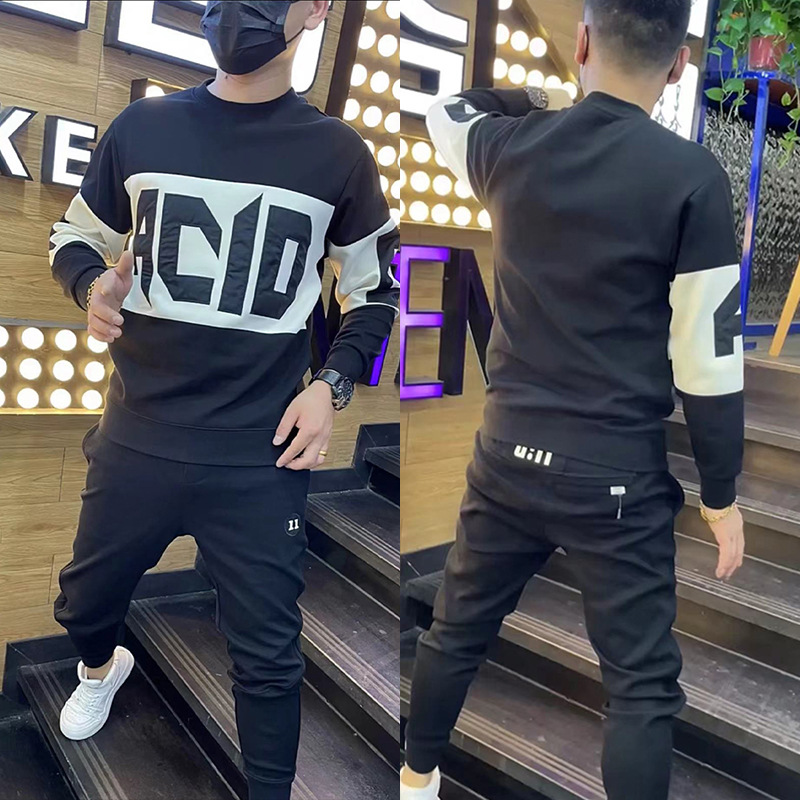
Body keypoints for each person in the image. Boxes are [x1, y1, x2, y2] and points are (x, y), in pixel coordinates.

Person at [48, 2, 399, 799]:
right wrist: (91, 286)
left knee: (269, 659)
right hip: (138, 431)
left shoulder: (339, 155)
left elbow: (375, 294)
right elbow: (73, 237)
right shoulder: (142, 129)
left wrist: (332, 386)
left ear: (316, 8)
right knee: (84, 604)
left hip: (259, 452)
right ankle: (101, 669)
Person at [400, 1, 745, 799]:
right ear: (680, 65)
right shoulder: (693, 178)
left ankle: (416, 782)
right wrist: (721, 495)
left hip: (505, 458)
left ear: (583, 41)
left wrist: (546, 97)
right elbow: (709, 361)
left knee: (455, 633)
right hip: (615, 477)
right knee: (641, 688)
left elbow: (447, 111)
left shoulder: (511, 146)